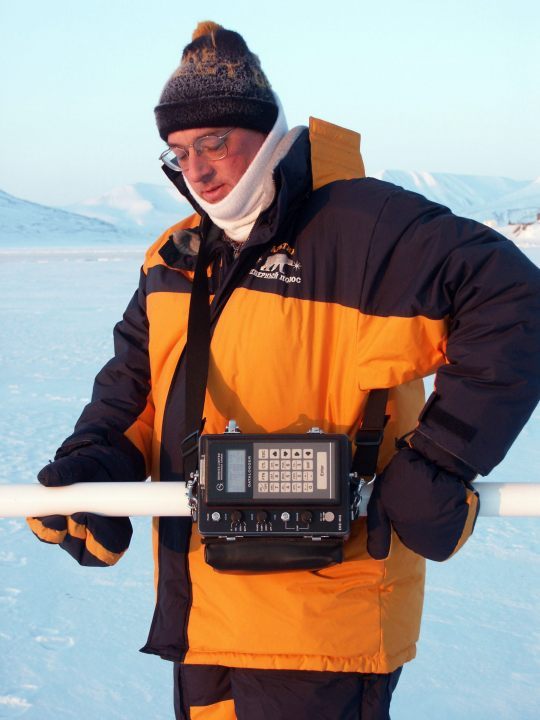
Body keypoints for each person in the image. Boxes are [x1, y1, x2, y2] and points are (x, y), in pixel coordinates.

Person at [28, 21, 540, 720]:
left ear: (267, 133)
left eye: (215, 144)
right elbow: (135, 387)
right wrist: (98, 460)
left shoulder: (368, 230)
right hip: (202, 617)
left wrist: (442, 459)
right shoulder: (174, 258)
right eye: (179, 151)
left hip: (321, 625)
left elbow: (514, 302)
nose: (197, 169)